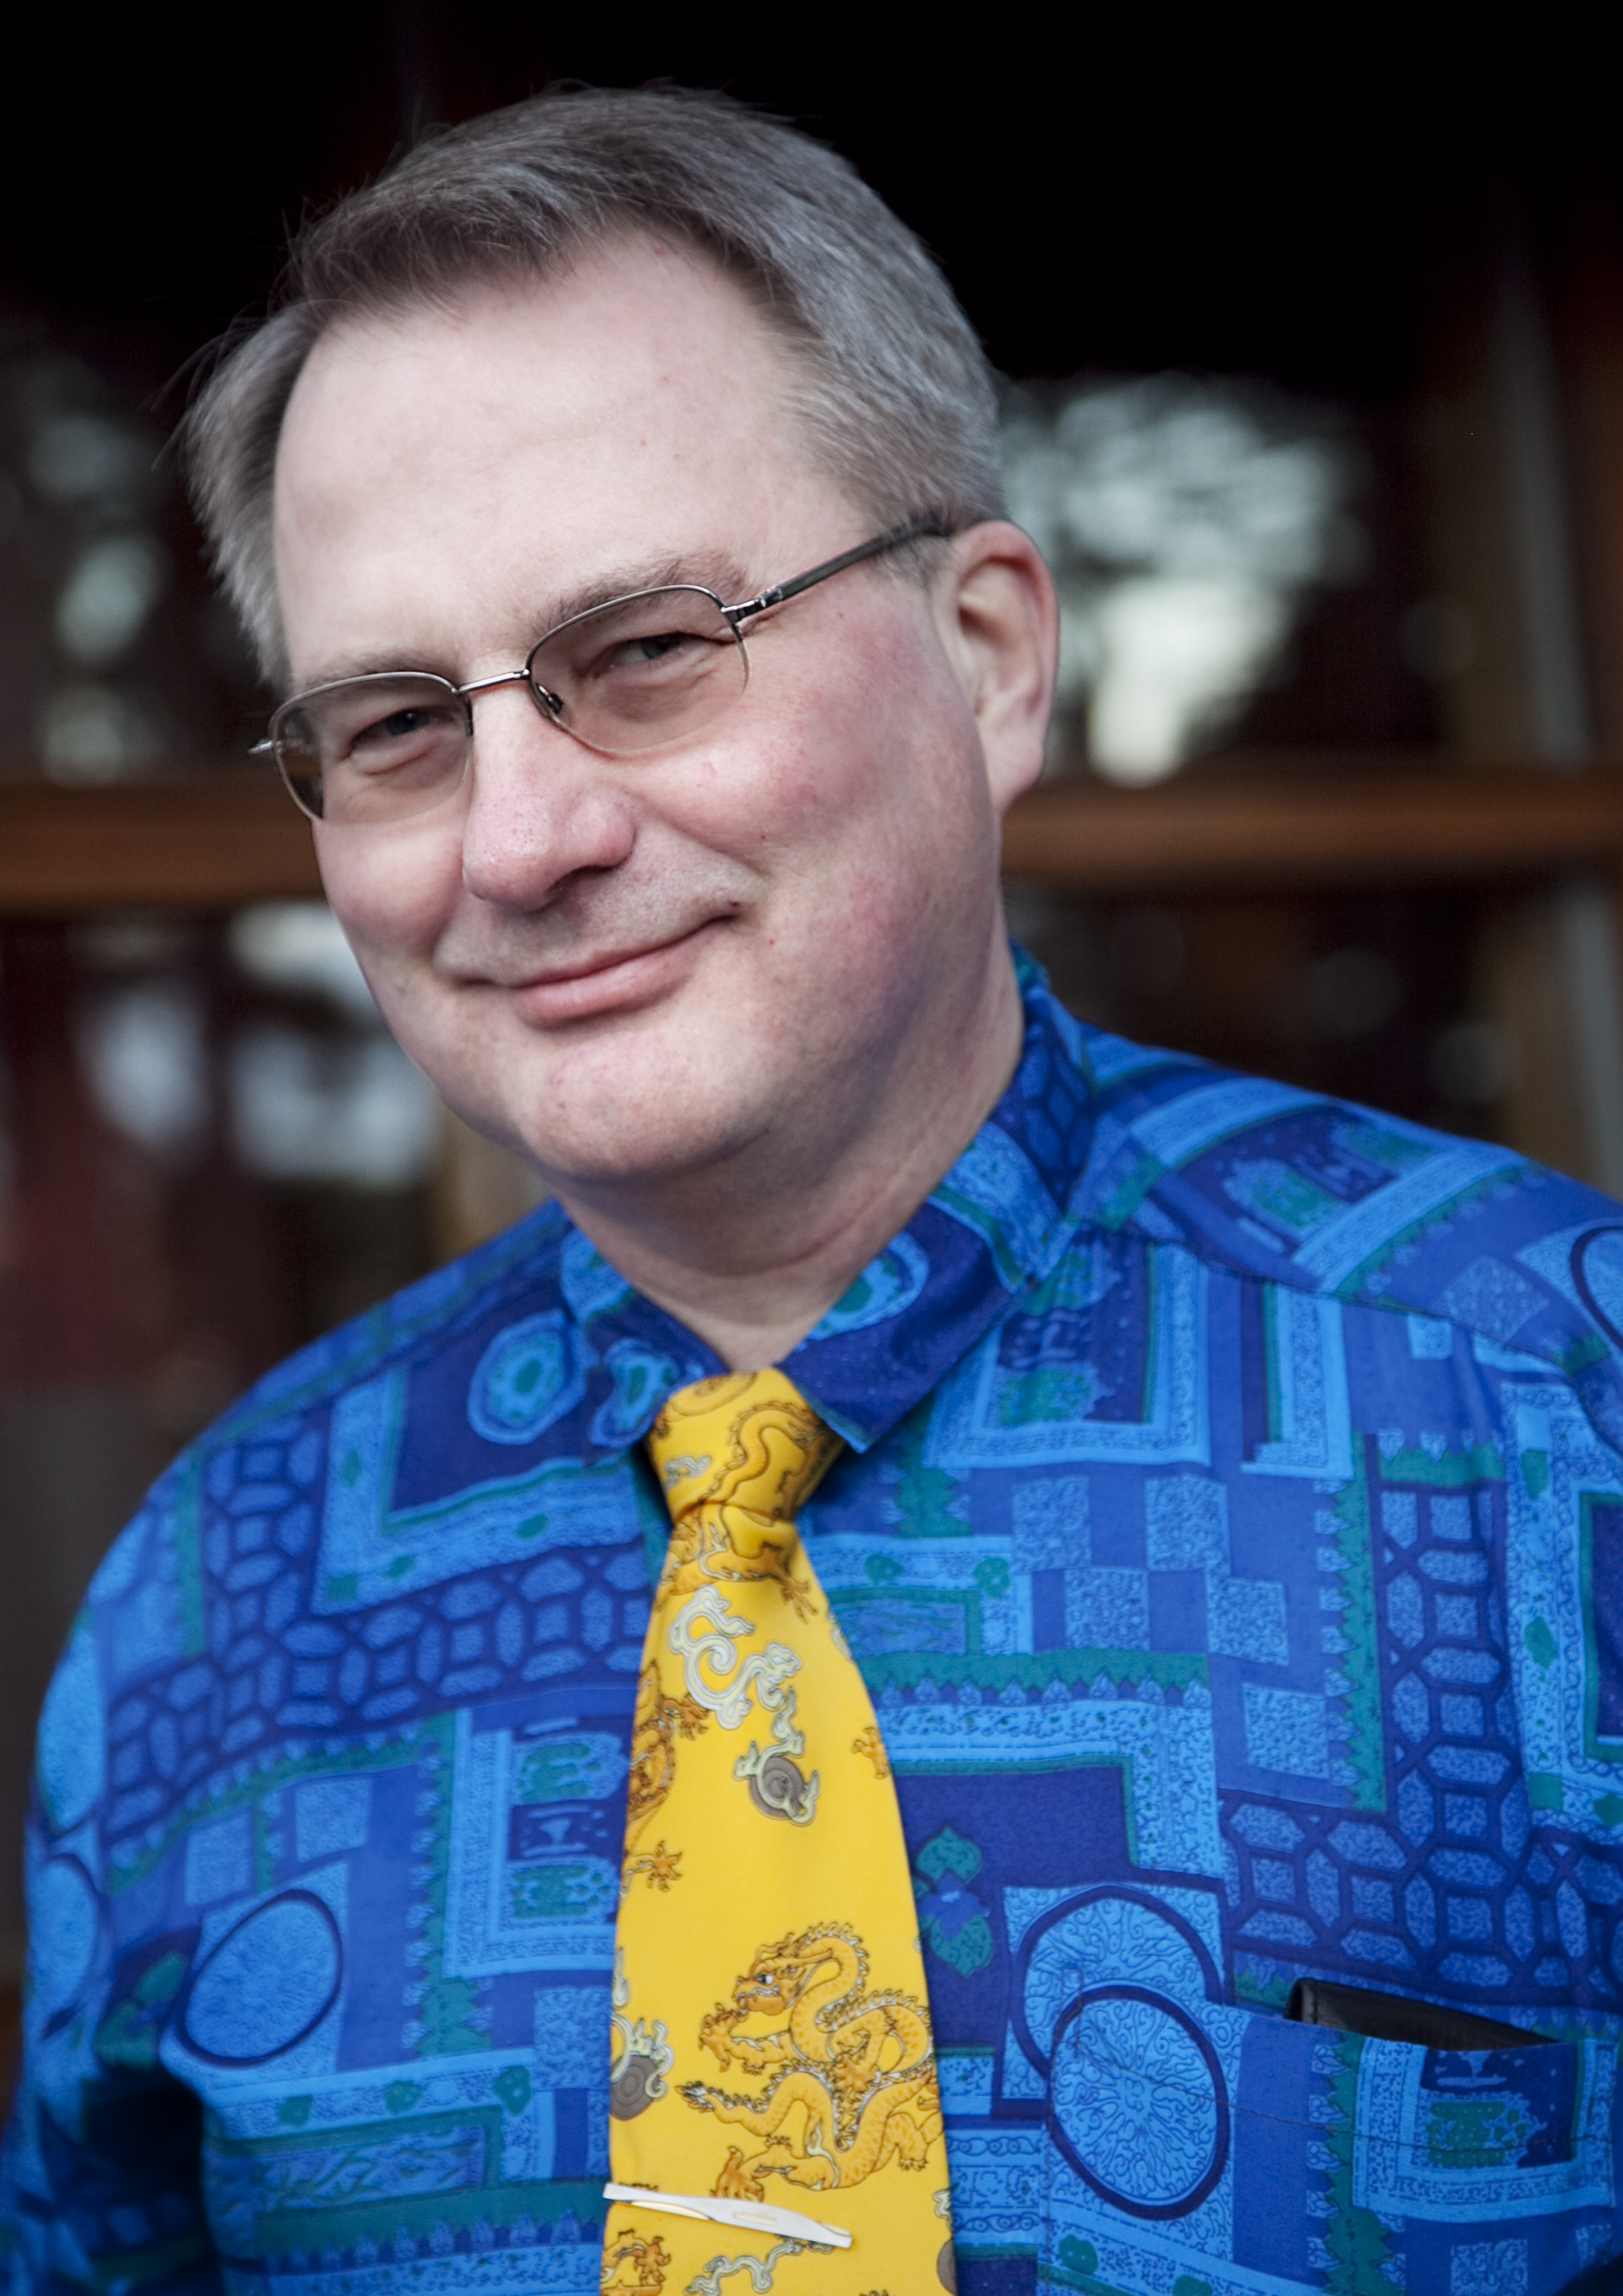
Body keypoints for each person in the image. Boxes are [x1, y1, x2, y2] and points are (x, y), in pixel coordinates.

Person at [3, 82, 1621, 2296]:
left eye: (648, 652)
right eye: (395, 726)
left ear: (990, 655)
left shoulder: (1554, 1413)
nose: (517, 840)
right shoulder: (211, 1601)